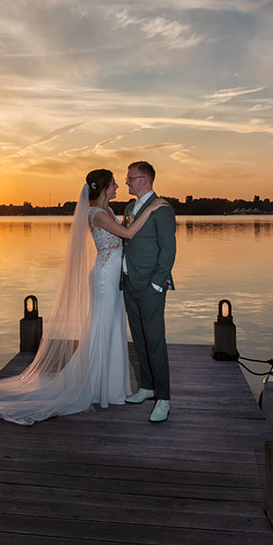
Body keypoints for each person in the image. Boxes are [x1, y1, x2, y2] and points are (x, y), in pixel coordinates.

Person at [0, 169, 170, 425]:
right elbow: (127, 235)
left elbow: (124, 237)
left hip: (115, 277)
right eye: (114, 183)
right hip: (106, 278)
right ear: (104, 188)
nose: (119, 185)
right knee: (101, 327)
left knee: (111, 327)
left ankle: (111, 386)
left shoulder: (106, 211)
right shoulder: (97, 214)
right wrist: (149, 210)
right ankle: (98, 387)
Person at [120, 161, 176, 423]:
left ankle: (163, 398)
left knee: (155, 340)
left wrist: (157, 282)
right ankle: (146, 387)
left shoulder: (162, 209)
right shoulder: (130, 208)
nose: (127, 182)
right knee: (140, 339)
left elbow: (169, 249)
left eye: (131, 178)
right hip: (129, 282)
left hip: (150, 285)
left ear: (144, 179)